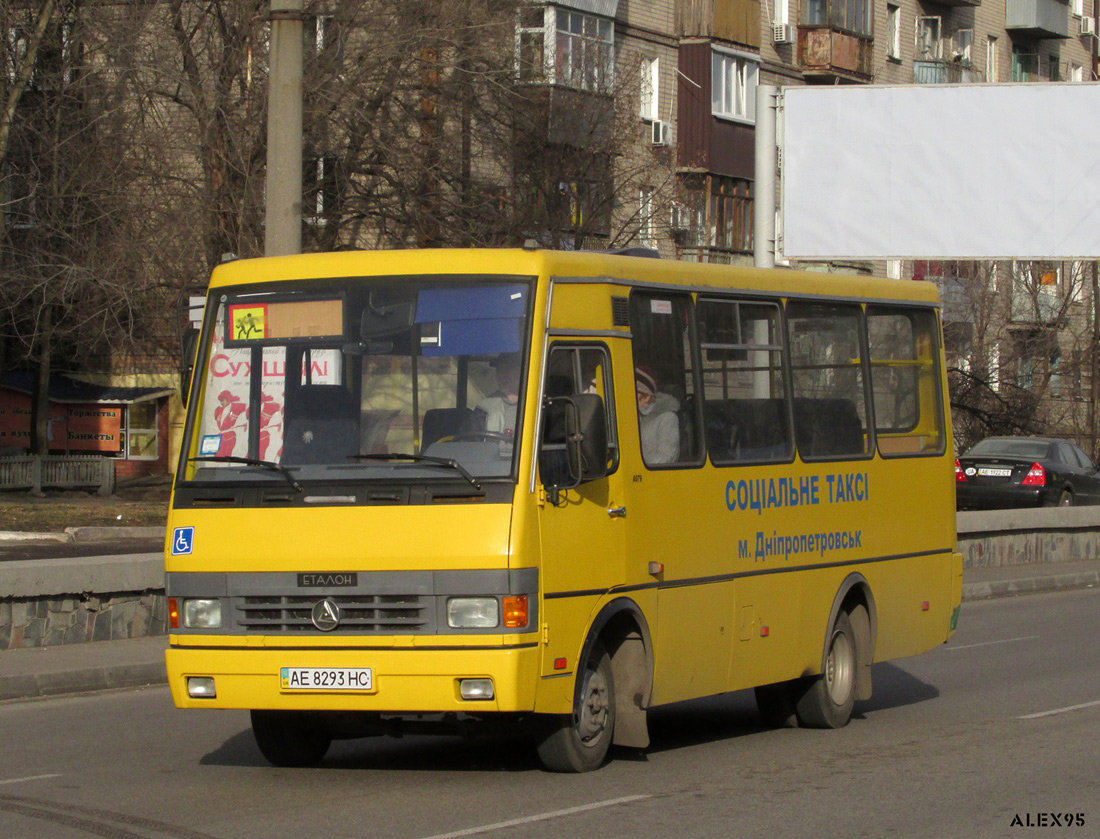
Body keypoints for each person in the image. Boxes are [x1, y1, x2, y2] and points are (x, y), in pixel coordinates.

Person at [468, 352, 521, 439]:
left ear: (522, 371)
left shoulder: (539, 406)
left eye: (509, 370)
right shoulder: (484, 408)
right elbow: (468, 444)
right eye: (500, 371)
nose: (503, 376)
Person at [635, 367, 679, 465]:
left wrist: (640, 468)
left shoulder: (667, 418)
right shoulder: (634, 417)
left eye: (634, 393)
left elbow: (667, 457)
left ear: (646, 397)